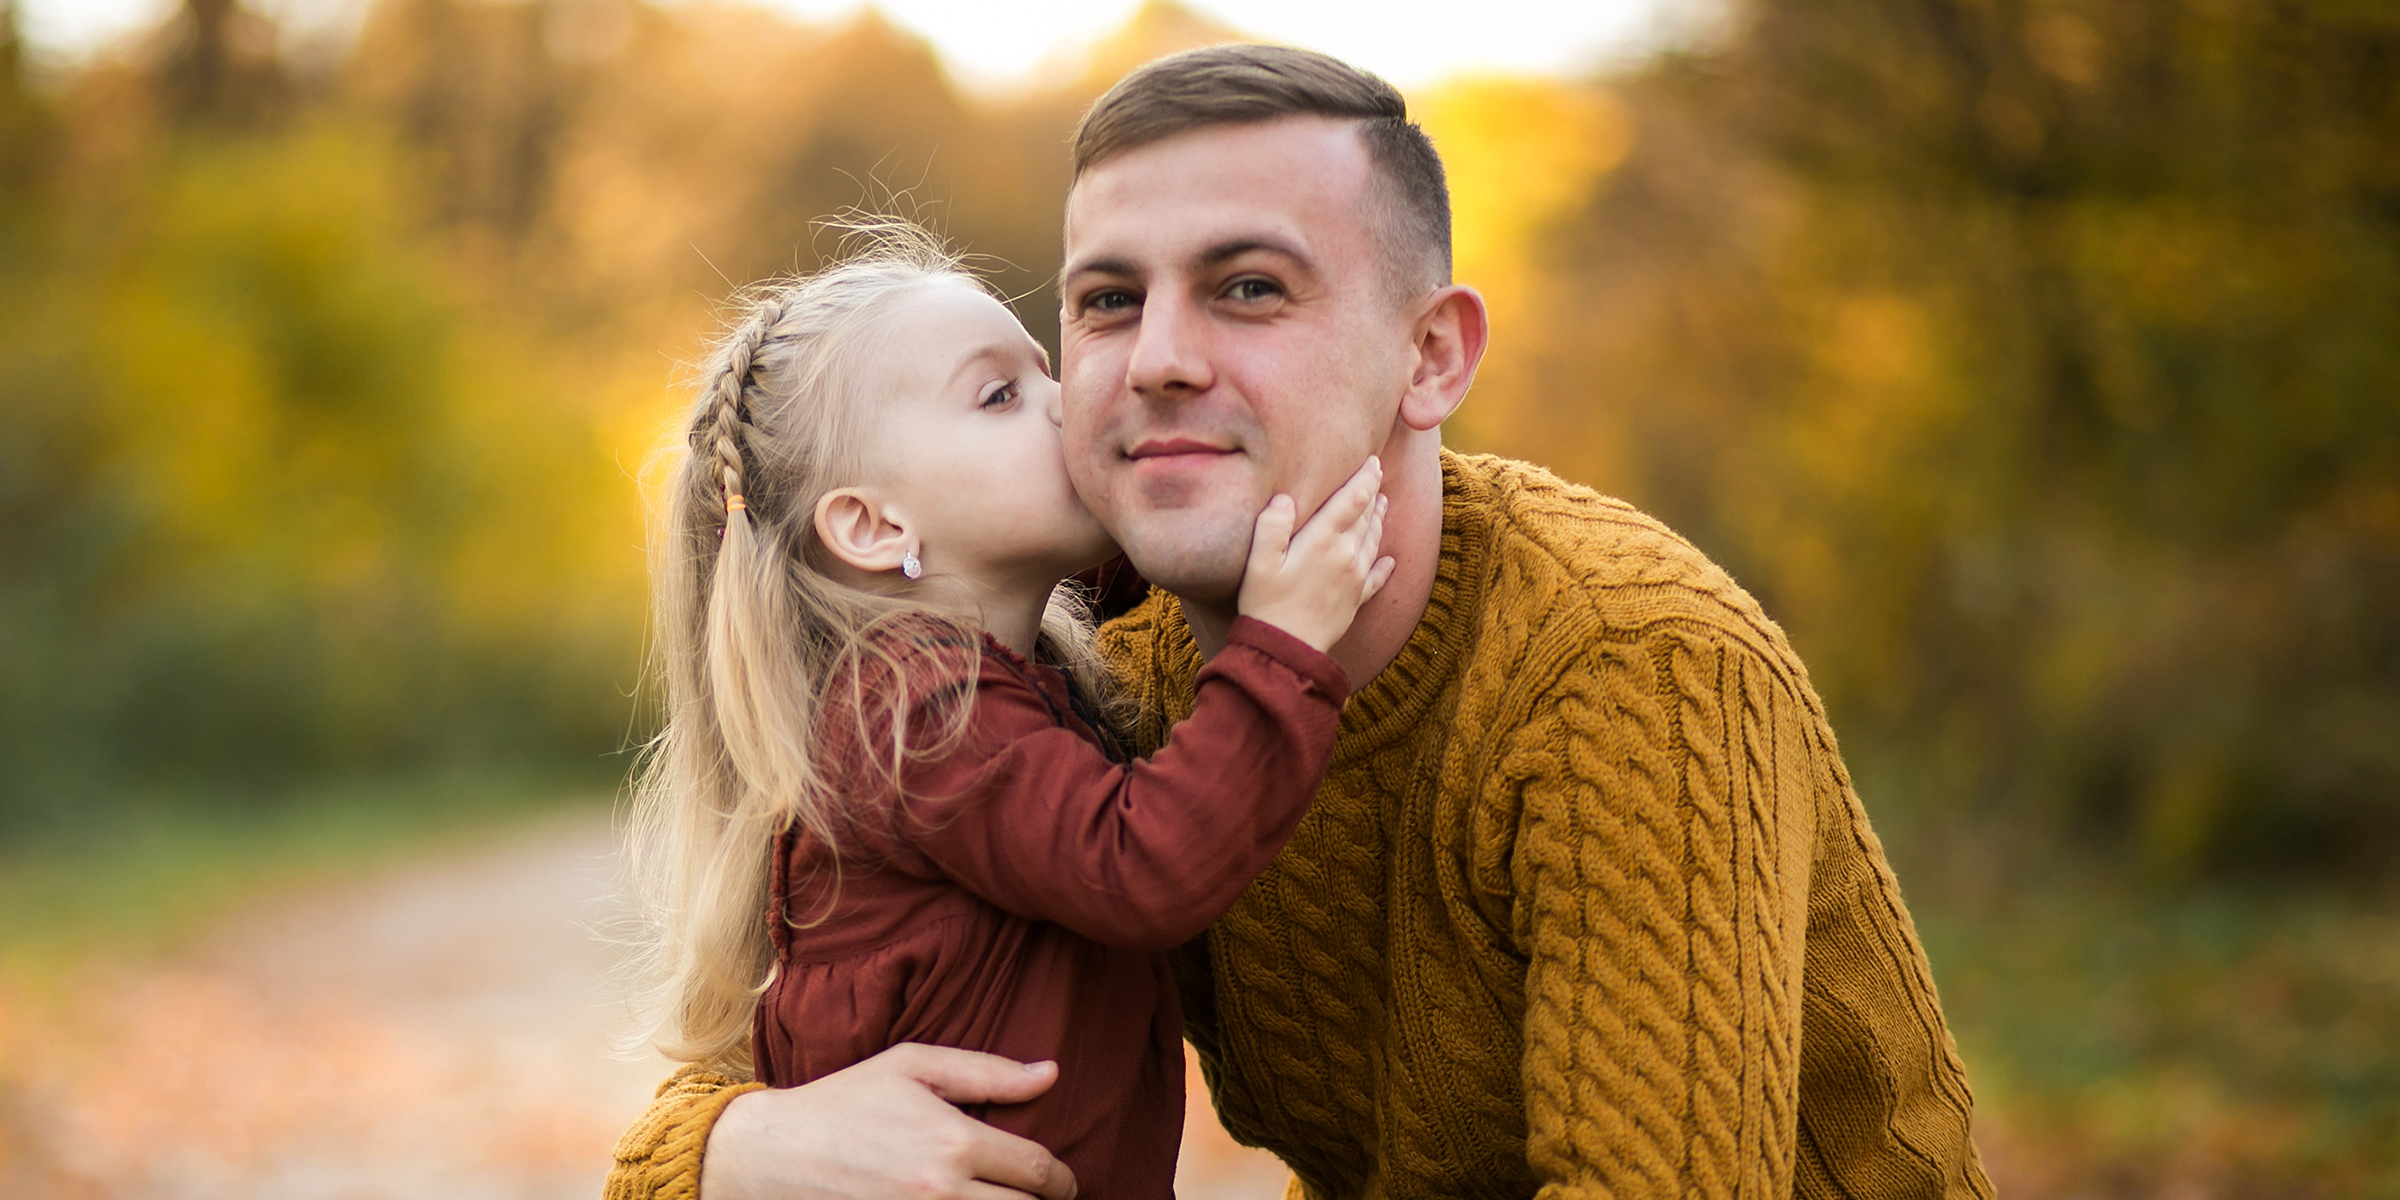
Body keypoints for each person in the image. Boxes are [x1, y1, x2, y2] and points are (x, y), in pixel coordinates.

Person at [608, 45, 1993, 1200]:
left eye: (1250, 288)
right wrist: (743, 1147)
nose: (1156, 360)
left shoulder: (1627, 669)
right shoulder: (1114, 673)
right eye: (1105, 302)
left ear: (1430, 356)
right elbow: (766, 1055)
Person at [620, 225, 1399, 1199]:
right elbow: (1145, 862)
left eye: (1046, 371)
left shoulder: (988, 670)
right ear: (874, 525)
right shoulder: (912, 712)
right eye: (1000, 396)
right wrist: (1284, 641)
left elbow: (1147, 562)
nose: (1069, 404)